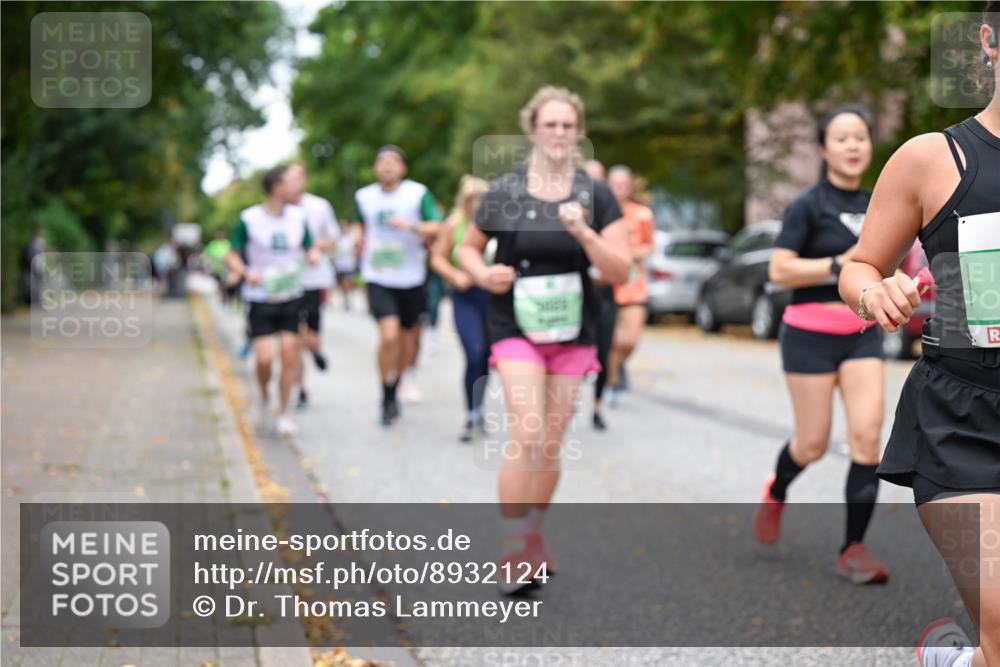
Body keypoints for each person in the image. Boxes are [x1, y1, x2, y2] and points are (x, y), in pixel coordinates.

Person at [840, 6, 999, 664]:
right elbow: (859, 266)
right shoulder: (932, 159)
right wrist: (873, 291)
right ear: (990, 41)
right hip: (964, 422)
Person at [458, 86, 630, 594]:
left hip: (574, 328)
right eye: (550, 125)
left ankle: (532, 533)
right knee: (529, 433)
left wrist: (585, 234)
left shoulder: (596, 195)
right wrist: (483, 274)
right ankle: (513, 549)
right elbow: (467, 248)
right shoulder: (505, 191)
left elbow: (620, 270)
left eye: (567, 126)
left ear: (579, 133)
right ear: (532, 130)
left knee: (551, 444)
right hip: (515, 326)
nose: (559, 133)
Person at [753, 104, 890, 584]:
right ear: (823, 148)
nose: (853, 146)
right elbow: (779, 268)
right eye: (842, 138)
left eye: (860, 137)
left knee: (867, 438)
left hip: (861, 333)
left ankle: (853, 549)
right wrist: (837, 264)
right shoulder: (807, 204)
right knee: (811, 444)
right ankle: (777, 490)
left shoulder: (879, 204)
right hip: (808, 335)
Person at [226, 165, 319, 436]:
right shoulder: (249, 219)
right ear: (276, 188)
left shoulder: (299, 217)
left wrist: (313, 254)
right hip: (260, 297)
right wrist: (245, 272)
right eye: (290, 183)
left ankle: (283, 412)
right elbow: (232, 254)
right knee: (265, 359)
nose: (297, 187)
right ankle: (264, 394)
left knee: (290, 355)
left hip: (291, 295)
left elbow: (310, 245)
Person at [355, 145, 442, 426]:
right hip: (378, 276)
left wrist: (411, 226)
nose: (387, 166)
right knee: (389, 335)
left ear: (403, 168)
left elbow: (437, 226)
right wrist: (358, 240)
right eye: (382, 161)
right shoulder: (364, 197)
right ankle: (386, 393)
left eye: (393, 161)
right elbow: (360, 226)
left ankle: (398, 381)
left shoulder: (417, 193)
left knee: (408, 341)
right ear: (375, 168)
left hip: (411, 277)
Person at [430, 175, 491, 443]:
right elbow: (437, 257)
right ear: (464, 202)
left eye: (482, 200)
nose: (477, 205)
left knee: (487, 356)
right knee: (474, 352)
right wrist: (454, 275)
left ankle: (479, 407)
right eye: (472, 200)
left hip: (493, 299)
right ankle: (470, 413)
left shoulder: (497, 223)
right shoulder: (454, 224)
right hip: (466, 296)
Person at [284, 162, 340, 409]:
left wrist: (315, 248)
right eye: (288, 178)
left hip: (315, 280)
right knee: (294, 340)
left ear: (305, 180)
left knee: (310, 336)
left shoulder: (319, 206)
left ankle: (316, 350)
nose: (293, 182)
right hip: (288, 283)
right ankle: (301, 388)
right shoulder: (279, 209)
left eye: (297, 177)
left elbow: (333, 238)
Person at [605, 165, 655, 408]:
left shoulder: (642, 214)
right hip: (607, 283)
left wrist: (634, 253)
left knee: (630, 340)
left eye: (623, 184)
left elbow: (650, 246)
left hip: (633, 284)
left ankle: (618, 365)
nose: (619, 189)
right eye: (615, 184)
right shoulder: (601, 212)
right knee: (612, 341)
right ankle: (611, 382)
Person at [332, 219, 360, 310]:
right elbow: (333, 249)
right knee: (341, 284)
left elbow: (356, 248)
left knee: (348, 281)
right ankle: (345, 296)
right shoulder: (336, 238)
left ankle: (347, 298)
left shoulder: (351, 238)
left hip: (349, 264)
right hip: (339, 265)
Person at [204, 229, 233, 305]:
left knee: (225, 284)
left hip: (225, 269)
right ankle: (218, 298)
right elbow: (208, 255)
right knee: (216, 285)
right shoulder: (212, 244)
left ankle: (225, 298)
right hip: (215, 269)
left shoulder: (227, 243)